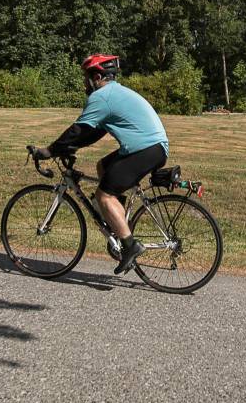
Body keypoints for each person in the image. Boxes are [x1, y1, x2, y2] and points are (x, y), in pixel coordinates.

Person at [33, 54, 169, 276]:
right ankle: (117, 227)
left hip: (144, 150)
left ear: (96, 77)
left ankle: (130, 245)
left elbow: (79, 130)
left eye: (86, 78)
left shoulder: (102, 96)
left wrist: (49, 150)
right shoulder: (115, 93)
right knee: (103, 167)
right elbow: (95, 132)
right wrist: (70, 147)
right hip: (153, 148)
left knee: (104, 195)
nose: (84, 84)